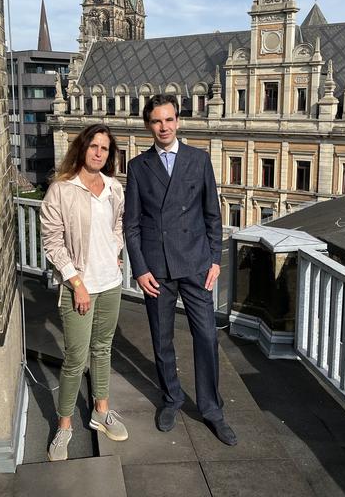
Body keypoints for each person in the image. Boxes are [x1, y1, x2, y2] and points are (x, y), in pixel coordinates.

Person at [124, 95, 237, 446]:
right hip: (157, 269)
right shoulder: (139, 167)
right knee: (162, 340)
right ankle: (172, 398)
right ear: (148, 125)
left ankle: (212, 409)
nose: (164, 127)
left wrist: (215, 260)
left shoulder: (199, 160)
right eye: (157, 121)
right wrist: (140, 269)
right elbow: (131, 225)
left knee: (205, 336)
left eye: (169, 119)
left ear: (178, 121)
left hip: (196, 265)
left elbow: (211, 215)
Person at [40, 124, 129, 461]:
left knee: (103, 348)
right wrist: (76, 282)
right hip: (81, 286)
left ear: (109, 155)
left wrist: (115, 250)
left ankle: (101, 411)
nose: (98, 153)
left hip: (111, 283)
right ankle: (64, 427)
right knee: (75, 359)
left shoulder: (113, 188)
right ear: (82, 148)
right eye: (93, 146)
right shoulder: (62, 190)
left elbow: (118, 224)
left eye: (104, 149)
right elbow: (52, 241)